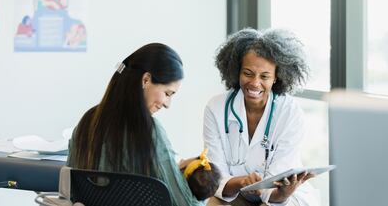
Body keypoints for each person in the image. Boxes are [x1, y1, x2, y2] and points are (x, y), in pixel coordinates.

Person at [67, 43, 203, 206]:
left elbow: (70, 191)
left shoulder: (87, 122)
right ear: (146, 80)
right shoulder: (149, 131)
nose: (167, 104)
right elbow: (184, 203)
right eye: (167, 93)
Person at [203, 28, 319, 206]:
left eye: (264, 76)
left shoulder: (289, 112)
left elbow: (275, 189)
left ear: (276, 78)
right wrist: (242, 182)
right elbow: (216, 177)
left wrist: (280, 194)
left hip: (280, 198)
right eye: (248, 73)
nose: (255, 83)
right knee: (214, 202)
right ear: (237, 70)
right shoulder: (216, 108)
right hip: (236, 192)